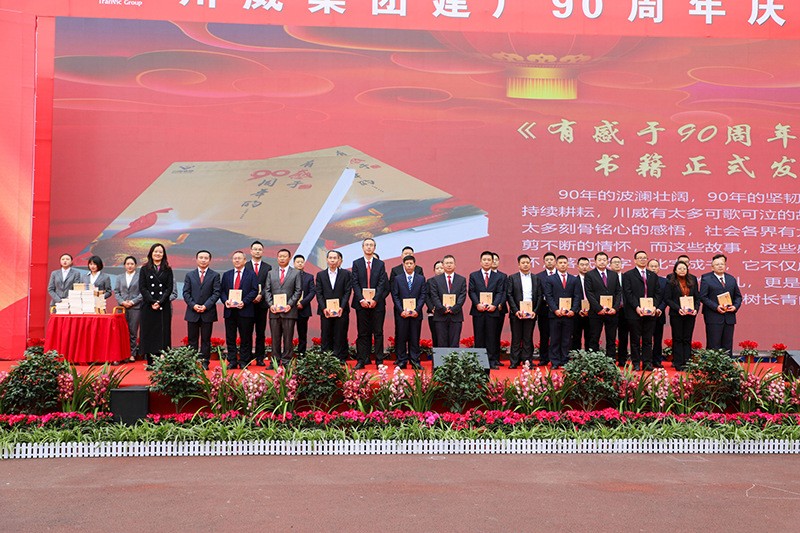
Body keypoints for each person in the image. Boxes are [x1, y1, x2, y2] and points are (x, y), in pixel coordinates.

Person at [351, 238, 389, 368]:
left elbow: (382, 283)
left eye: (371, 245)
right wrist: (361, 299)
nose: (368, 247)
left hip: (377, 304)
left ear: (374, 248)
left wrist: (375, 299)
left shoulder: (380, 264)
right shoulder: (356, 263)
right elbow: (354, 282)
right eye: (366, 245)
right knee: (362, 333)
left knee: (378, 333)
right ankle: (361, 360)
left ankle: (379, 361)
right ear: (362, 247)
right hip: (361, 304)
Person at [622, 251, 662, 371]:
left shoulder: (652, 275)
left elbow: (658, 293)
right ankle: (635, 363)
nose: (642, 260)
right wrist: (637, 307)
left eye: (644, 258)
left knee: (648, 340)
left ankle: (647, 363)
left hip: (650, 313)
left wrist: (655, 306)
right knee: (635, 340)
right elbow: (628, 294)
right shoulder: (628, 275)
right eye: (640, 258)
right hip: (635, 312)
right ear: (635, 260)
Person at [263, 249, 303, 367]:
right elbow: (267, 290)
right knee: (275, 338)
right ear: (277, 258)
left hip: (289, 311)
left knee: (288, 338)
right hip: (274, 312)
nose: (282, 258)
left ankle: (287, 361)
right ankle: (274, 362)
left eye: (284, 256)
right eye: (280, 256)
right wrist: (271, 305)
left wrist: (289, 305)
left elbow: (298, 291)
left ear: (289, 258)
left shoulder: (296, 273)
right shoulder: (271, 273)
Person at [220, 250, 259, 369]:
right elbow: (222, 291)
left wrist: (244, 302)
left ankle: (244, 361)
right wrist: (225, 300)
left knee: (245, 338)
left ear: (245, 260)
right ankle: (232, 361)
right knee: (230, 338)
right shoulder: (227, 274)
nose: (237, 260)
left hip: (245, 310)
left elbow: (254, 290)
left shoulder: (251, 274)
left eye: (239, 258)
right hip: (230, 311)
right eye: (234, 258)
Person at [183, 250, 221, 370]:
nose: (203, 260)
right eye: (201, 257)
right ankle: (192, 361)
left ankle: (205, 361)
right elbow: (186, 293)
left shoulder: (215, 275)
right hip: (192, 312)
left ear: (210, 260)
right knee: (192, 339)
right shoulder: (189, 275)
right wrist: (193, 305)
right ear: (196, 259)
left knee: (206, 339)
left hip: (207, 312)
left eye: (206, 258)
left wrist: (206, 306)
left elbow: (216, 293)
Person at [468, 251, 507, 370]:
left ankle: (491, 361)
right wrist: (477, 304)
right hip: (478, 311)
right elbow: (471, 291)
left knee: (491, 337)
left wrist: (495, 304)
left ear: (492, 262)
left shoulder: (498, 277)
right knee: (479, 337)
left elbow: (500, 292)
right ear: (480, 261)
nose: (486, 262)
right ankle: (479, 362)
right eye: (484, 260)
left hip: (492, 311)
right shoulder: (474, 275)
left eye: (489, 260)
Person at [699, 254, 742, 357]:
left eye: (722, 264)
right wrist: (716, 307)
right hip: (714, 316)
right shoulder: (707, 279)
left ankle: (727, 366)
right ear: (712, 267)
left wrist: (735, 306)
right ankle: (713, 367)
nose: (720, 266)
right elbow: (703, 297)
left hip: (729, 316)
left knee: (727, 344)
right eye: (717, 264)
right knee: (714, 343)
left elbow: (738, 296)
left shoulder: (731, 279)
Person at [543, 255, 582, 370]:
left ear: (568, 264)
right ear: (556, 265)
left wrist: (573, 310)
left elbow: (577, 296)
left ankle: (565, 360)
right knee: (555, 339)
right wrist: (555, 309)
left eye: (565, 262)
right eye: (560, 263)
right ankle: (555, 361)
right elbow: (548, 296)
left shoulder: (574, 279)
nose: (563, 265)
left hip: (569, 315)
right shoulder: (550, 279)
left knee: (566, 339)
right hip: (555, 315)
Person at [139, 243, 174, 367]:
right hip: (148, 306)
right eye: (155, 251)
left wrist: (160, 301)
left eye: (160, 252)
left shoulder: (168, 269)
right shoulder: (144, 269)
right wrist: (152, 301)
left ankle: (160, 360)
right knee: (149, 332)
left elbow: (169, 288)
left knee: (162, 333)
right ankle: (149, 361)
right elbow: (142, 287)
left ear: (164, 254)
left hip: (163, 306)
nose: (157, 254)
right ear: (151, 253)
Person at [584, 252, 622, 361]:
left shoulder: (613, 274)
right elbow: (589, 293)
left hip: (612, 312)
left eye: (604, 260)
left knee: (611, 338)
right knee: (594, 338)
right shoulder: (590, 275)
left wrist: (615, 307)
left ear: (607, 262)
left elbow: (618, 292)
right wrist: (598, 308)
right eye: (599, 260)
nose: (602, 262)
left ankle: (611, 361)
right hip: (596, 313)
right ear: (595, 262)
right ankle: (594, 362)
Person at [315, 250, 352, 363]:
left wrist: (342, 307)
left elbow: (347, 292)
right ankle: (326, 359)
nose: (332, 260)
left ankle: (340, 358)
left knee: (340, 333)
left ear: (339, 260)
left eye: (335, 258)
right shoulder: (320, 275)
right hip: (326, 311)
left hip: (341, 310)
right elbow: (319, 293)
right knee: (326, 334)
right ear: (326, 260)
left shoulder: (346, 274)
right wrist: (323, 308)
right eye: (330, 258)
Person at [506, 254, 542, 369]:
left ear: (531, 264)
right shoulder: (512, 277)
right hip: (516, 314)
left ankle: (527, 362)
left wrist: (535, 311)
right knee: (516, 338)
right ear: (518, 264)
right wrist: (515, 311)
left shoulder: (536, 278)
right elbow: (509, 295)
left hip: (531, 313)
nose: (525, 264)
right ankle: (514, 362)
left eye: (527, 262)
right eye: (523, 262)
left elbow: (540, 296)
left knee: (528, 338)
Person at [391, 254, 426, 370]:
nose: (409, 265)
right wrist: (401, 310)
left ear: (415, 265)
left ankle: (415, 361)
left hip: (416, 314)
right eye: (407, 263)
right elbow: (395, 295)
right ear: (403, 265)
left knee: (415, 338)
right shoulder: (398, 278)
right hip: (402, 315)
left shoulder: (421, 278)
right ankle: (402, 361)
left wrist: (417, 310)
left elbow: (423, 295)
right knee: (401, 337)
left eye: (411, 263)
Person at [663, 260, 700, 371]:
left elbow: (697, 298)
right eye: (679, 268)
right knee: (678, 338)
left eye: (684, 268)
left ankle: (687, 362)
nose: (682, 270)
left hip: (690, 314)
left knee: (687, 339)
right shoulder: (671, 282)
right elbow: (667, 299)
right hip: (677, 314)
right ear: (675, 270)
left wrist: (696, 310)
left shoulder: (692, 281)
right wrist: (678, 309)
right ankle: (678, 363)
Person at [428, 254, 467, 348]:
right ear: (443, 265)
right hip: (440, 315)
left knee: (454, 343)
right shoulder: (435, 280)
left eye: (451, 263)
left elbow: (463, 295)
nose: (449, 265)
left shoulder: (461, 279)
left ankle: (453, 363)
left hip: (456, 315)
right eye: (446, 263)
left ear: (455, 265)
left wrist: (454, 308)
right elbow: (434, 295)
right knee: (441, 342)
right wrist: (442, 308)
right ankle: (442, 363)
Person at [245, 241, 272, 366]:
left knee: (260, 332)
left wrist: (261, 295)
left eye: (259, 249)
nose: (257, 251)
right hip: (248, 305)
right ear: (250, 251)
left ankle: (260, 357)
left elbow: (269, 285)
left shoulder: (268, 267)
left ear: (262, 251)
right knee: (247, 331)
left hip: (262, 304)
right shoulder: (245, 266)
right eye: (255, 249)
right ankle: (248, 357)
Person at [114, 256, 142, 363]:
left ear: (136, 265)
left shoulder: (139, 277)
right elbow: (116, 292)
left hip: (135, 307)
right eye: (128, 264)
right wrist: (122, 302)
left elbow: (142, 293)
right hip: (122, 308)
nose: (130, 266)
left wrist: (133, 301)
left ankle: (132, 354)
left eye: (132, 264)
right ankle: (121, 354)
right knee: (121, 331)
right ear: (124, 265)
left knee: (133, 331)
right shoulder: (119, 277)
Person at [535, 252, 557, 366]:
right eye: (547, 260)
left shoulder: (561, 275)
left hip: (558, 311)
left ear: (555, 261)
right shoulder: (538, 276)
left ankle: (556, 358)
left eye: (551, 259)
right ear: (544, 262)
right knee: (544, 335)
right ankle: (543, 358)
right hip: (544, 310)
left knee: (556, 335)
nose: (549, 261)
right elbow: (537, 293)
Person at [647, 259, 668, 368]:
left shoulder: (664, 281)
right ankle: (647, 360)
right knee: (646, 339)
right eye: (651, 266)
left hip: (659, 314)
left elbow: (666, 298)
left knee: (658, 339)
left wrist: (660, 308)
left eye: (656, 266)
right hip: (645, 314)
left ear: (659, 268)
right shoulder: (644, 280)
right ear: (647, 268)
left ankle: (657, 360)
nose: (654, 268)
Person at [293, 255, 315, 357]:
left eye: (302, 262)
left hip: (303, 309)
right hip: (290, 309)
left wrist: (302, 303)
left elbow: (312, 292)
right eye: (298, 262)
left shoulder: (309, 277)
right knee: (288, 334)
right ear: (294, 264)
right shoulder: (289, 276)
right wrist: (292, 303)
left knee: (302, 334)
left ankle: (301, 355)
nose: (300, 263)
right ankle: (288, 354)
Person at [610, 255, 629, 365]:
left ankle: (622, 359)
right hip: (612, 310)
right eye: (614, 262)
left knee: (624, 336)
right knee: (611, 336)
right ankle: (611, 360)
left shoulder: (626, 277)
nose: (617, 264)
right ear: (610, 265)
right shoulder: (608, 277)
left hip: (625, 310)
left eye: (619, 262)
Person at [491, 253, 508, 366]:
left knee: (496, 334)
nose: (494, 262)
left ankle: (496, 358)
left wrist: (500, 303)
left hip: (499, 309)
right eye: (493, 260)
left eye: (496, 260)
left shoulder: (503, 276)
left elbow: (505, 291)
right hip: (486, 309)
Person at [571, 256, 591, 351]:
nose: (584, 267)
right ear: (577, 267)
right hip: (577, 313)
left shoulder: (593, 279)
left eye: (586, 265)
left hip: (592, 313)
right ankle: (576, 359)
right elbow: (572, 296)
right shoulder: (574, 280)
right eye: (582, 265)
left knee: (590, 337)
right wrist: (578, 309)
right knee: (576, 337)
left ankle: (589, 358)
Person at [426, 261, 445, 349]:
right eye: (437, 268)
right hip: (433, 313)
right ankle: (436, 358)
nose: (439, 270)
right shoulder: (430, 281)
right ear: (434, 270)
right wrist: (431, 308)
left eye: (441, 268)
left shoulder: (448, 282)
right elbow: (427, 296)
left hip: (446, 313)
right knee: (435, 336)